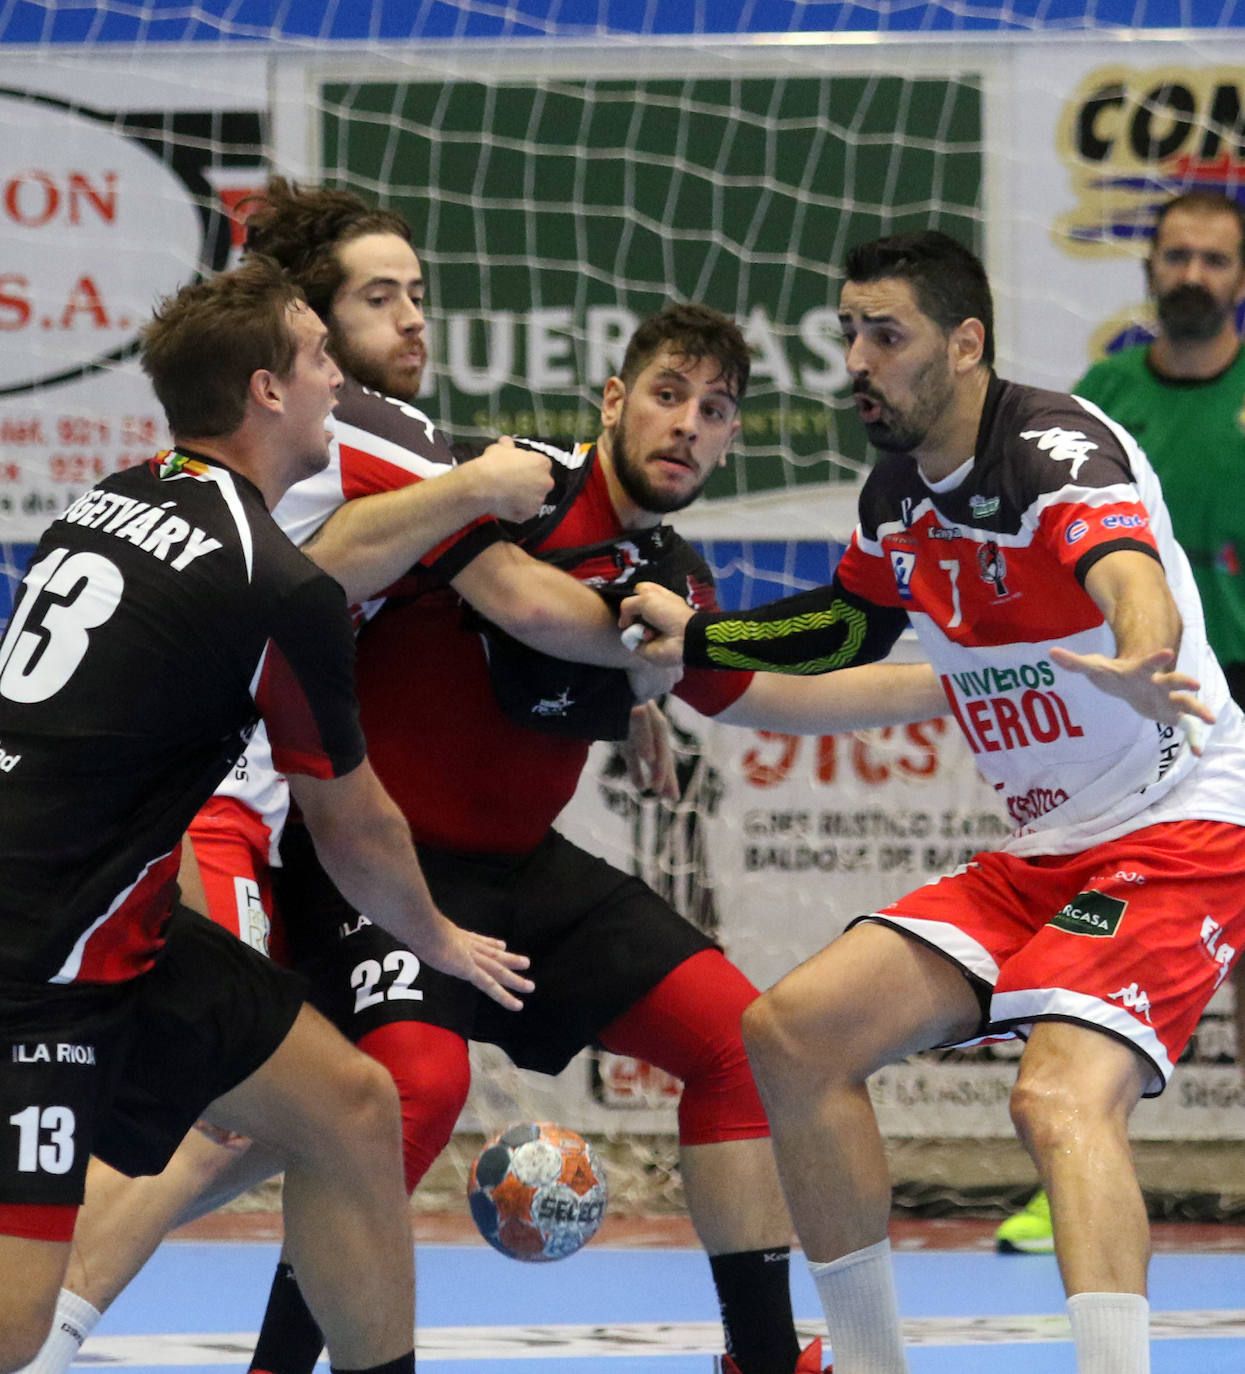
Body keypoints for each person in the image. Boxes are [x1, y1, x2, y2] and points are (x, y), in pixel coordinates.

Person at [19, 184, 946, 1374]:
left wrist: (964, 679)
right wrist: (633, 636)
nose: (689, 427)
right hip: (296, 833)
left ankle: (766, 1360)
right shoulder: (459, 470)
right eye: (667, 395)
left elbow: (746, 688)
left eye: (716, 411)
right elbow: (466, 605)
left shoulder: (664, 562)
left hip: (486, 868)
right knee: (345, 1096)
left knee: (734, 1042)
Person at [621, 229, 1245, 1374]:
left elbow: (1131, 579)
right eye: (849, 330)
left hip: (1180, 824)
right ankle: (867, 1364)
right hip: (1044, 848)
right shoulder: (900, 490)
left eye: (886, 333)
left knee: (1057, 1095)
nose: (858, 357)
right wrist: (701, 639)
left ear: (966, 344)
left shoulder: (1057, 449)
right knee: (792, 1033)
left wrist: (1146, 655)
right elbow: (848, 624)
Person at [0, 257, 534, 1374]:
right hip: (37, 963)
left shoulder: (109, 498)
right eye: (319, 356)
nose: (340, 377)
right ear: (264, 391)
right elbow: (354, 827)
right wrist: (438, 940)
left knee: (350, 1108)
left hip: (121, 929)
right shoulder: (276, 585)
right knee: (10, 1325)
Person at [995, 188, 1245, 1257]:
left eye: (1214, 259)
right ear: (1148, 269)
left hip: (1240, 707)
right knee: (1103, 966)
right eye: (1176, 255)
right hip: (1138, 729)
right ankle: (1075, 1172)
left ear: (1240, 277)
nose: (1192, 273)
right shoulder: (1094, 400)